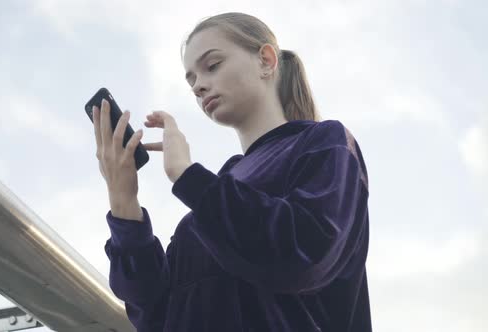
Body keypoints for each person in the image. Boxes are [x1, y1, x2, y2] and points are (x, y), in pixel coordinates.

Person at [92, 12, 371, 332]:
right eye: (192, 79)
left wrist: (186, 174)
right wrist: (123, 199)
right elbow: (154, 316)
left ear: (266, 60)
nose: (198, 86)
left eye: (212, 66)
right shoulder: (213, 198)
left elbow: (303, 253)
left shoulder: (325, 142)